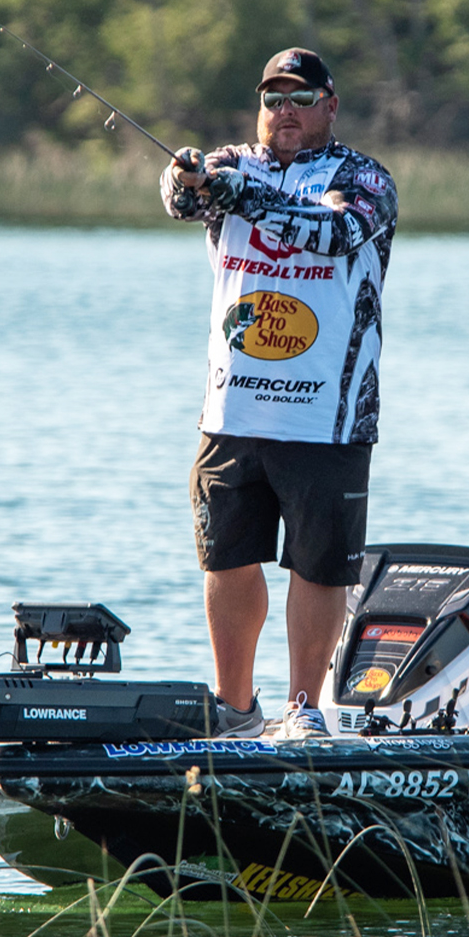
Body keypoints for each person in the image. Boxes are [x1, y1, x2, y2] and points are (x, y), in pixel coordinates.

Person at [161, 48, 399, 739]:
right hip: (233, 407)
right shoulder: (233, 164)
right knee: (227, 559)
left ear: (330, 104)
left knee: (318, 567)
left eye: (299, 98)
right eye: (272, 98)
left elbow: (336, 234)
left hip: (328, 415)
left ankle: (305, 709)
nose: (284, 111)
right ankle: (235, 708)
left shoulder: (364, 178)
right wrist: (184, 174)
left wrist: (249, 199)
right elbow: (180, 200)